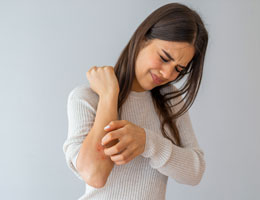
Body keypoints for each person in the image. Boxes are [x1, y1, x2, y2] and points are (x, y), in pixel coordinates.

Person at [63, 2, 208, 200]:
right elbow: (94, 175)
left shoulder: (170, 102)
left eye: (178, 69)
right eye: (164, 58)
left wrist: (148, 142)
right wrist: (109, 96)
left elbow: (194, 171)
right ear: (142, 39)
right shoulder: (87, 98)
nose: (167, 73)